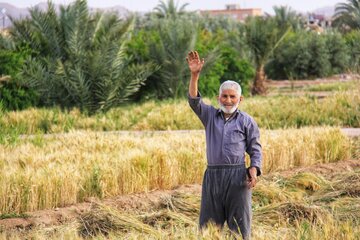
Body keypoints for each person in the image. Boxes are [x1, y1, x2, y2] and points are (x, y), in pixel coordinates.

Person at [186, 50, 262, 240]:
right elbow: (194, 102)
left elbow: (255, 148)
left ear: (240, 99)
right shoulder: (210, 115)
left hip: (238, 178)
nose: (228, 100)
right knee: (208, 229)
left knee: (240, 228)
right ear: (219, 98)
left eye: (232, 97)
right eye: (225, 96)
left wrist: (254, 168)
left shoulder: (246, 121)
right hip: (213, 177)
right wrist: (195, 75)